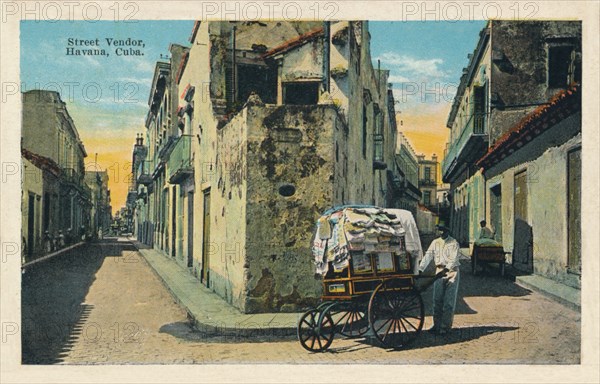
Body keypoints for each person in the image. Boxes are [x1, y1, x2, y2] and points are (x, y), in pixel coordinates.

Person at [418, 222, 461, 336]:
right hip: (439, 271)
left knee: (448, 302)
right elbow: (428, 256)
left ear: (447, 230)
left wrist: (446, 269)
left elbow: (453, 259)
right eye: (439, 230)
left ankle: (445, 327)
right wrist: (420, 269)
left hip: (452, 272)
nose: (441, 232)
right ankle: (436, 325)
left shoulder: (454, 243)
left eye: (443, 230)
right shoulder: (435, 242)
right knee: (437, 300)